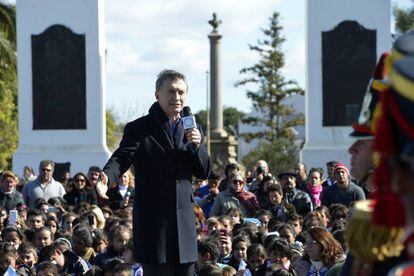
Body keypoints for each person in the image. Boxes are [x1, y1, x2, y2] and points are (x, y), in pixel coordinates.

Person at [100, 70, 212, 276]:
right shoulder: (139, 128)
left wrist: (197, 146)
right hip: (154, 229)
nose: (176, 97)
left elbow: (204, 171)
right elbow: (121, 158)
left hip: (184, 230)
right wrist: (107, 176)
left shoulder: (192, 128)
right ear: (157, 95)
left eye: (181, 92)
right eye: (170, 92)